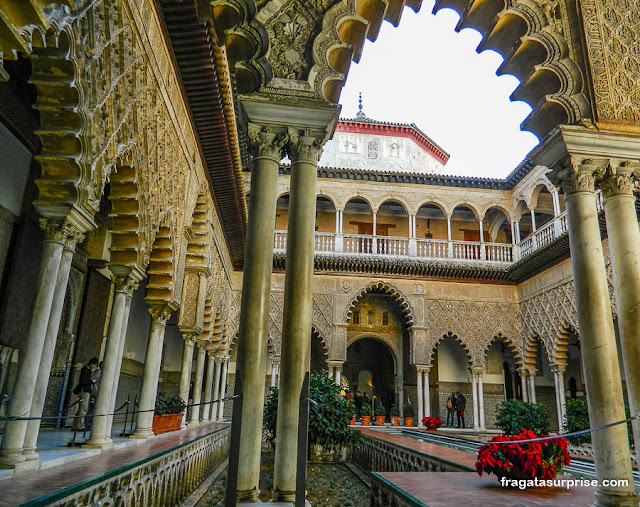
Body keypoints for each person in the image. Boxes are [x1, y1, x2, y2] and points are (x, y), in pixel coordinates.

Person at [72, 357, 99, 431]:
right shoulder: (85, 370)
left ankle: (75, 425)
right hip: (84, 391)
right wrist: (92, 381)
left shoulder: (87, 370)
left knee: (81, 409)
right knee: (83, 409)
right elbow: (84, 381)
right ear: (92, 364)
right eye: (95, 365)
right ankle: (80, 426)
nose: (95, 367)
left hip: (84, 390)